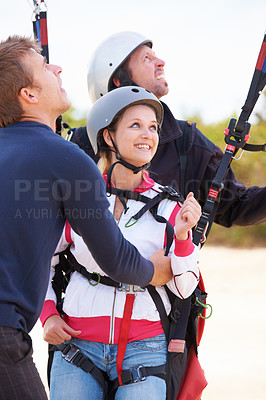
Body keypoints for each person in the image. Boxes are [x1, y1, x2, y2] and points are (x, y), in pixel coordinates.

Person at [0, 36, 172, 400]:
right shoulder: (66, 158)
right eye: (45, 66)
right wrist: (154, 270)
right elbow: (117, 260)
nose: (58, 68)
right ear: (28, 94)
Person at [41, 86, 202, 399]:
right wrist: (47, 314)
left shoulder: (171, 207)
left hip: (146, 351)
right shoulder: (76, 198)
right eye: (135, 125)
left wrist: (183, 236)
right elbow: (40, 262)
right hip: (77, 345)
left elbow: (185, 287)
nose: (148, 134)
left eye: (153, 127)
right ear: (108, 136)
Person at [70, 31, 266, 234]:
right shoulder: (80, 145)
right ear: (119, 79)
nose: (161, 62)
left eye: (152, 127)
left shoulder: (187, 142)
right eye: (147, 58)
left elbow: (235, 205)